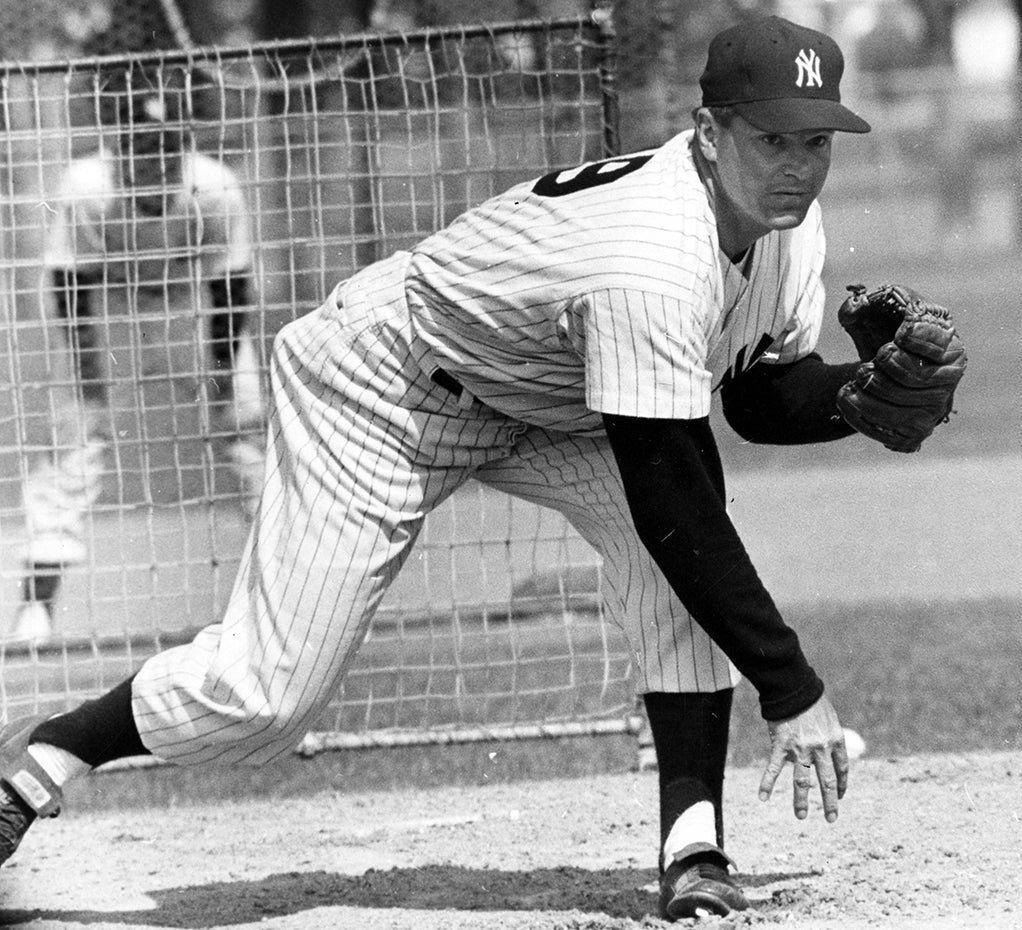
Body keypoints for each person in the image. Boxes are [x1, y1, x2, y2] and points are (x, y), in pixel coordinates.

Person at [0, 18, 952, 920]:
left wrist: (852, 397)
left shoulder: (789, 229)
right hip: (391, 385)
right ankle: (47, 754)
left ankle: (692, 852)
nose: (796, 167)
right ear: (708, 134)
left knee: (672, 567)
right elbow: (676, 493)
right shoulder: (650, 254)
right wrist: (791, 688)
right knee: (264, 702)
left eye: (816, 142)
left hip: (554, 397)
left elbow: (755, 393)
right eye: (771, 140)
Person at [8, 67, 266, 644]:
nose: (155, 158)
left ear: (186, 144)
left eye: (168, 144)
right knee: (73, 445)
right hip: (112, 311)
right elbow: (69, 287)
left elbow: (231, 286)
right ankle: (36, 608)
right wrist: (87, 374)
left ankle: (288, 591)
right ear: (117, 147)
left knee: (250, 430)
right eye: (140, 146)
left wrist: (222, 372)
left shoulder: (215, 186)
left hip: (188, 307)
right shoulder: (86, 187)